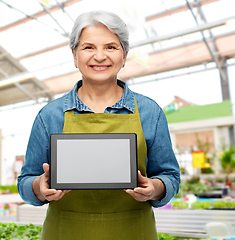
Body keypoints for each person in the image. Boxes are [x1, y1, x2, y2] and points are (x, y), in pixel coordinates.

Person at [17, 10, 180, 240]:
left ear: (124, 56)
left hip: (134, 232)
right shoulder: (49, 116)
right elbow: (25, 181)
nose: (100, 56)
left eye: (111, 47)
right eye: (89, 47)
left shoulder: (149, 112)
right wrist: (39, 186)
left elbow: (170, 175)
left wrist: (155, 188)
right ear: (74, 55)